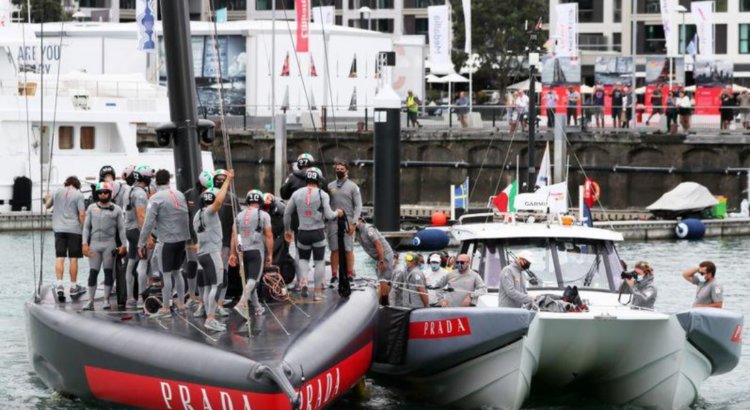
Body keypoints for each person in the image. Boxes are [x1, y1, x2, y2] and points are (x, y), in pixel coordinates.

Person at [137, 169, 191, 318]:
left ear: (156, 181)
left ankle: (166, 309)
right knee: (177, 271)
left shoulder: (155, 198)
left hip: (167, 241)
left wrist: (141, 243)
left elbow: (148, 223)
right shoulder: (180, 194)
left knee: (165, 274)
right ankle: (181, 304)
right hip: (182, 240)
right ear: (168, 180)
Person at [284, 167, 343, 300]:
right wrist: (337, 213)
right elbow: (329, 215)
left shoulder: (297, 193)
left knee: (303, 259)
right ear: (318, 181)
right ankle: (317, 293)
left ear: (306, 180)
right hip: (317, 232)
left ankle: (303, 280)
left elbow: (287, 213)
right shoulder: (323, 194)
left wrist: (287, 229)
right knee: (319, 261)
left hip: (302, 232)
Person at [193, 169, 235, 332]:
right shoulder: (210, 212)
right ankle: (210, 319)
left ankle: (208, 315)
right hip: (212, 253)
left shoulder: (197, 215)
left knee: (209, 286)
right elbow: (218, 203)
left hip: (202, 254)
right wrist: (227, 181)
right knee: (216, 285)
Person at [81, 182, 127, 310]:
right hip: (94, 244)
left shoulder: (117, 209)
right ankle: (90, 300)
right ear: (97, 194)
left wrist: (124, 245)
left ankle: (106, 299)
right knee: (93, 272)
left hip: (109, 244)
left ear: (110, 194)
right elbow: (86, 228)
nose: (102, 194)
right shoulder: (91, 208)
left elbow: (122, 229)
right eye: (100, 192)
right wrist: (84, 244)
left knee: (108, 272)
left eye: (105, 192)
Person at [44, 176, 87, 301]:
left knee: (60, 257)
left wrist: (47, 198)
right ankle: (73, 286)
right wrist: (82, 229)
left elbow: (47, 206)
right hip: (74, 230)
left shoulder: (57, 191)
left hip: (59, 229)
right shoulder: (79, 195)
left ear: (66, 183)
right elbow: (82, 214)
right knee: (73, 259)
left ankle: (59, 285)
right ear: (77, 185)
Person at [234, 189, 273, 318]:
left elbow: (234, 235)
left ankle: (257, 307)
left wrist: (234, 253)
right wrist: (270, 254)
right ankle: (241, 303)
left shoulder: (239, 215)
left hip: (242, 251)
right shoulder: (264, 215)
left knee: (249, 282)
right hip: (256, 251)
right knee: (253, 280)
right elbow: (268, 236)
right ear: (260, 201)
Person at [182, 170, 214, 315]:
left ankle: (203, 299)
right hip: (191, 237)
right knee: (192, 265)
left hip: (205, 238)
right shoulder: (188, 194)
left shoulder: (210, 195)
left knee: (203, 268)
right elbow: (184, 216)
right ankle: (192, 295)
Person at [212, 169, 242, 317]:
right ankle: (217, 304)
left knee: (216, 275)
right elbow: (238, 224)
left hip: (215, 243)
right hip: (220, 243)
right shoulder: (231, 198)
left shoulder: (209, 196)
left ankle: (216, 304)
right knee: (221, 274)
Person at [327, 161, 362, 284]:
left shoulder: (353, 187)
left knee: (348, 249)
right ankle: (334, 275)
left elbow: (358, 206)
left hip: (348, 222)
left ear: (347, 171)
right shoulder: (330, 186)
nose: (339, 170)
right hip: (332, 222)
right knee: (334, 249)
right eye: (337, 169)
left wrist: (354, 223)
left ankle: (349, 273)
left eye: (342, 168)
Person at [355, 217, 394, 305]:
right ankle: (384, 301)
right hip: (378, 257)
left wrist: (381, 261)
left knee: (383, 279)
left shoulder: (368, 229)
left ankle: (384, 304)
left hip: (384, 255)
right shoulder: (357, 232)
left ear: (361, 220)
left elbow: (378, 244)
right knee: (381, 278)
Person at [262, 192, 294, 283]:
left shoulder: (281, 208)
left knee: (280, 252)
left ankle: (279, 275)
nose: (266, 210)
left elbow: (288, 224)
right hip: (268, 229)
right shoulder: (260, 208)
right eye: (264, 208)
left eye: (267, 208)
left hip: (280, 229)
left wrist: (287, 234)